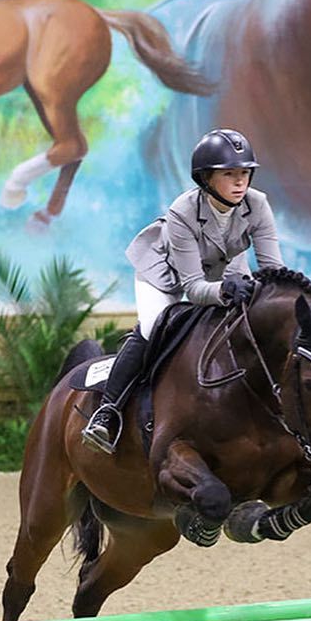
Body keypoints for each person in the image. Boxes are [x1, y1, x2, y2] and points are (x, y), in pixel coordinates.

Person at [81, 127, 285, 453]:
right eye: (229, 174)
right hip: (165, 274)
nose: (240, 182)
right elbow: (193, 288)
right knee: (152, 328)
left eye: (245, 173)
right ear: (205, 179)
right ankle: (107, 412)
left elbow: (273, 269)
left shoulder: (257, 205)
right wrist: (225, 292)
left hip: (225, 271)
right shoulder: (183, 212)